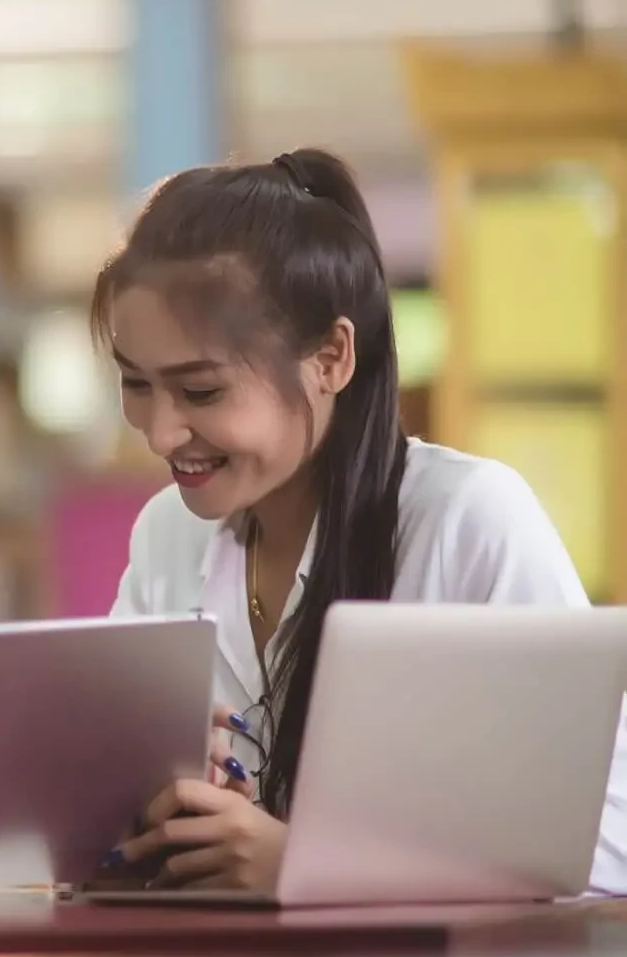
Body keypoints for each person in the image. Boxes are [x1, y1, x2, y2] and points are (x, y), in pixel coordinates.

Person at [99, 146, 627, 896]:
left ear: (330, 357)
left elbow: (604, 837)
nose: (158, 432)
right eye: (135, 383)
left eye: (201, 391)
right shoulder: (166, 533)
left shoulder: (465, 519)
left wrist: (309, 863)